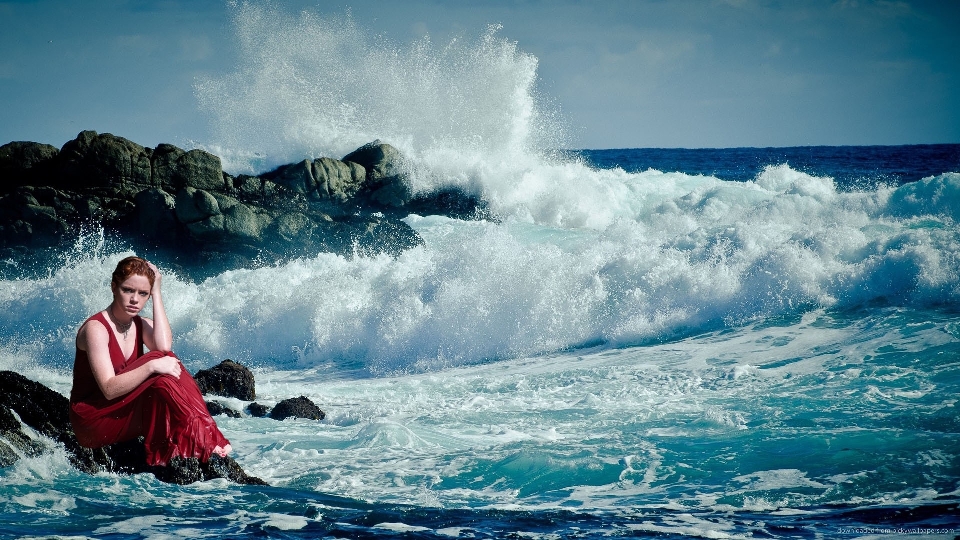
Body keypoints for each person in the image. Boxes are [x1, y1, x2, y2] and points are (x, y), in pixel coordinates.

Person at [70, 256, 232, 466]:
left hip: (119, 409)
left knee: (164, 367)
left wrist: (157, 293)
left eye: (143, 293)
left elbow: (164, 346)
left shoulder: (139, 324)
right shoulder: (96, 329)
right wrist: (151, 366)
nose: (135, 299)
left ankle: (200, 433)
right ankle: (204, 436)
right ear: (113, 287)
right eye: (128, 290)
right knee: (158, 362)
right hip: (94, 421)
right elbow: (109, 389)